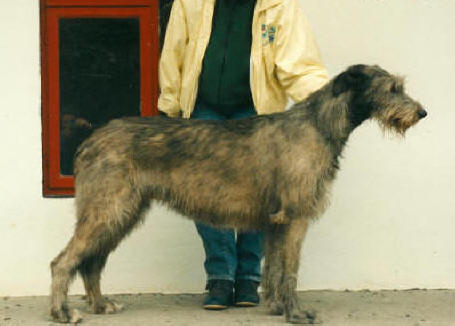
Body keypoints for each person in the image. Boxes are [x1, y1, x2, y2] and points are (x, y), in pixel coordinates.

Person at [158, 0, 329, 310]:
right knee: (204, 192)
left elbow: (300, 65)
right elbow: (174, 52)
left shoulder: (280, 5)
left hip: (256, 110)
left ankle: (249, 278)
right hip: (204, 107)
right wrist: (170, 103)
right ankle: (221, 278)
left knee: (262, 195)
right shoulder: (189, 2)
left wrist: (325, 101)